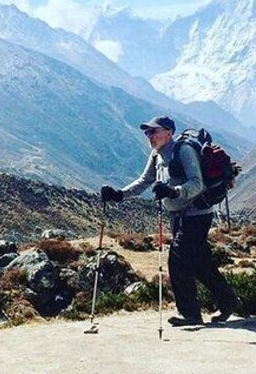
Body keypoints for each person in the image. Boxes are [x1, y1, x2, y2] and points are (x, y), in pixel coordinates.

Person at [101, 115, 243, 326]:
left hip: (196, 214)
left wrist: (172, 191)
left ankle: (191, 315)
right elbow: (144, 181)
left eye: (154, 131)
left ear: (169, 132)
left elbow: (197, 184)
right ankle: (228, 301)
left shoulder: (183, 151)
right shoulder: (157, 154)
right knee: (199, 263)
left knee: (177, 262)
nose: (149, 136)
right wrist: (119, 194)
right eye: (147, 132)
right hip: (178, 216)